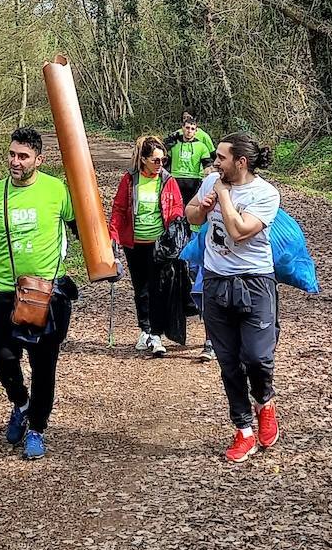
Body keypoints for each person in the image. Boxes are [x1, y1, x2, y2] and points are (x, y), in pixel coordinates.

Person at [0, 127, 76, 462]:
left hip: (47, 295)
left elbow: (80, 227)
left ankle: (37, 429)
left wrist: (105, 253)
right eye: (12, 154)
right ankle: (21, 404)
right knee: (2, 354)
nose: (15, 161)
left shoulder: (56, 190)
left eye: (23, 156)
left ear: (39, 159)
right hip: (5, 293)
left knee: (43, 365)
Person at [186, 133, 281, 464]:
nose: (215, 163)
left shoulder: (265, 194)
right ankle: (243, 430)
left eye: (221, 158)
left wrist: (223, 197)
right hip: (216, 282)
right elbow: (192, 216)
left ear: (240, 162)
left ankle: (265, 402)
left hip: (255, 282)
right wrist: (203, 205)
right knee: (228, 362)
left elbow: (240, 231)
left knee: (256, 356)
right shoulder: (211, 180)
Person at [108, 133, 184, 356]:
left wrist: (174, 229)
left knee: (158, 288)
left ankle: (156, 334)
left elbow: (177, 207)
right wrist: (113, 235)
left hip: (159, 244)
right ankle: (145, 329)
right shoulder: (130, 180)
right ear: (143, 159)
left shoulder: (168, 180)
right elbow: (119, 209)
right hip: (135, 243)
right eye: (156, 160)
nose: (160, 164)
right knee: (141, 288)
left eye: (163, 160)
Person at [164, 113, 216, 206]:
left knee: (190, 206)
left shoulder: (201, 146)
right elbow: (165, 161)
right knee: (175, 206)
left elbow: (207, 164)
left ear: (196, 131)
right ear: (182, 128)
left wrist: (208, 174)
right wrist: (166, 145)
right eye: (187, 128)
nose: (189, 131)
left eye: (192, 129)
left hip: (193, 180)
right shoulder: (174, 144)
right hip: (176, 178)